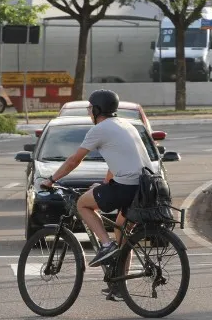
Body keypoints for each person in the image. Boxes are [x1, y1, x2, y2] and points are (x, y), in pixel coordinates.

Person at [41, 90, 151, 269]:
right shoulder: (125, 124)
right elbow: (116, 162)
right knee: (121, 231)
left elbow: (74, 160)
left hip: (127, 187)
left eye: (90, 108)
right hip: (145, 188)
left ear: (97, 110)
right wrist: (105, 185)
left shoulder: (100, 129)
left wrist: (51, 179)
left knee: (82, 204)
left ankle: (106, 245)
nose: (88, 111)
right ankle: (119, 284)